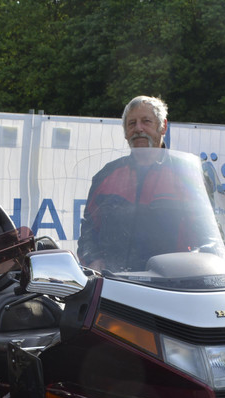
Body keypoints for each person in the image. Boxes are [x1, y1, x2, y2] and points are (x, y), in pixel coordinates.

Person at [77, 95, 205, 271]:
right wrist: (93, 260)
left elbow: (208, 234)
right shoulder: (106, 175)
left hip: (172, 281)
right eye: (132, 123)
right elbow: (88, 230)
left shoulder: (187, 174)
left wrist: (202, 266)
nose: (138, 128)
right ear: (125, 132)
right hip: (115, 280)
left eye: (146, 121)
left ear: (163, 126)